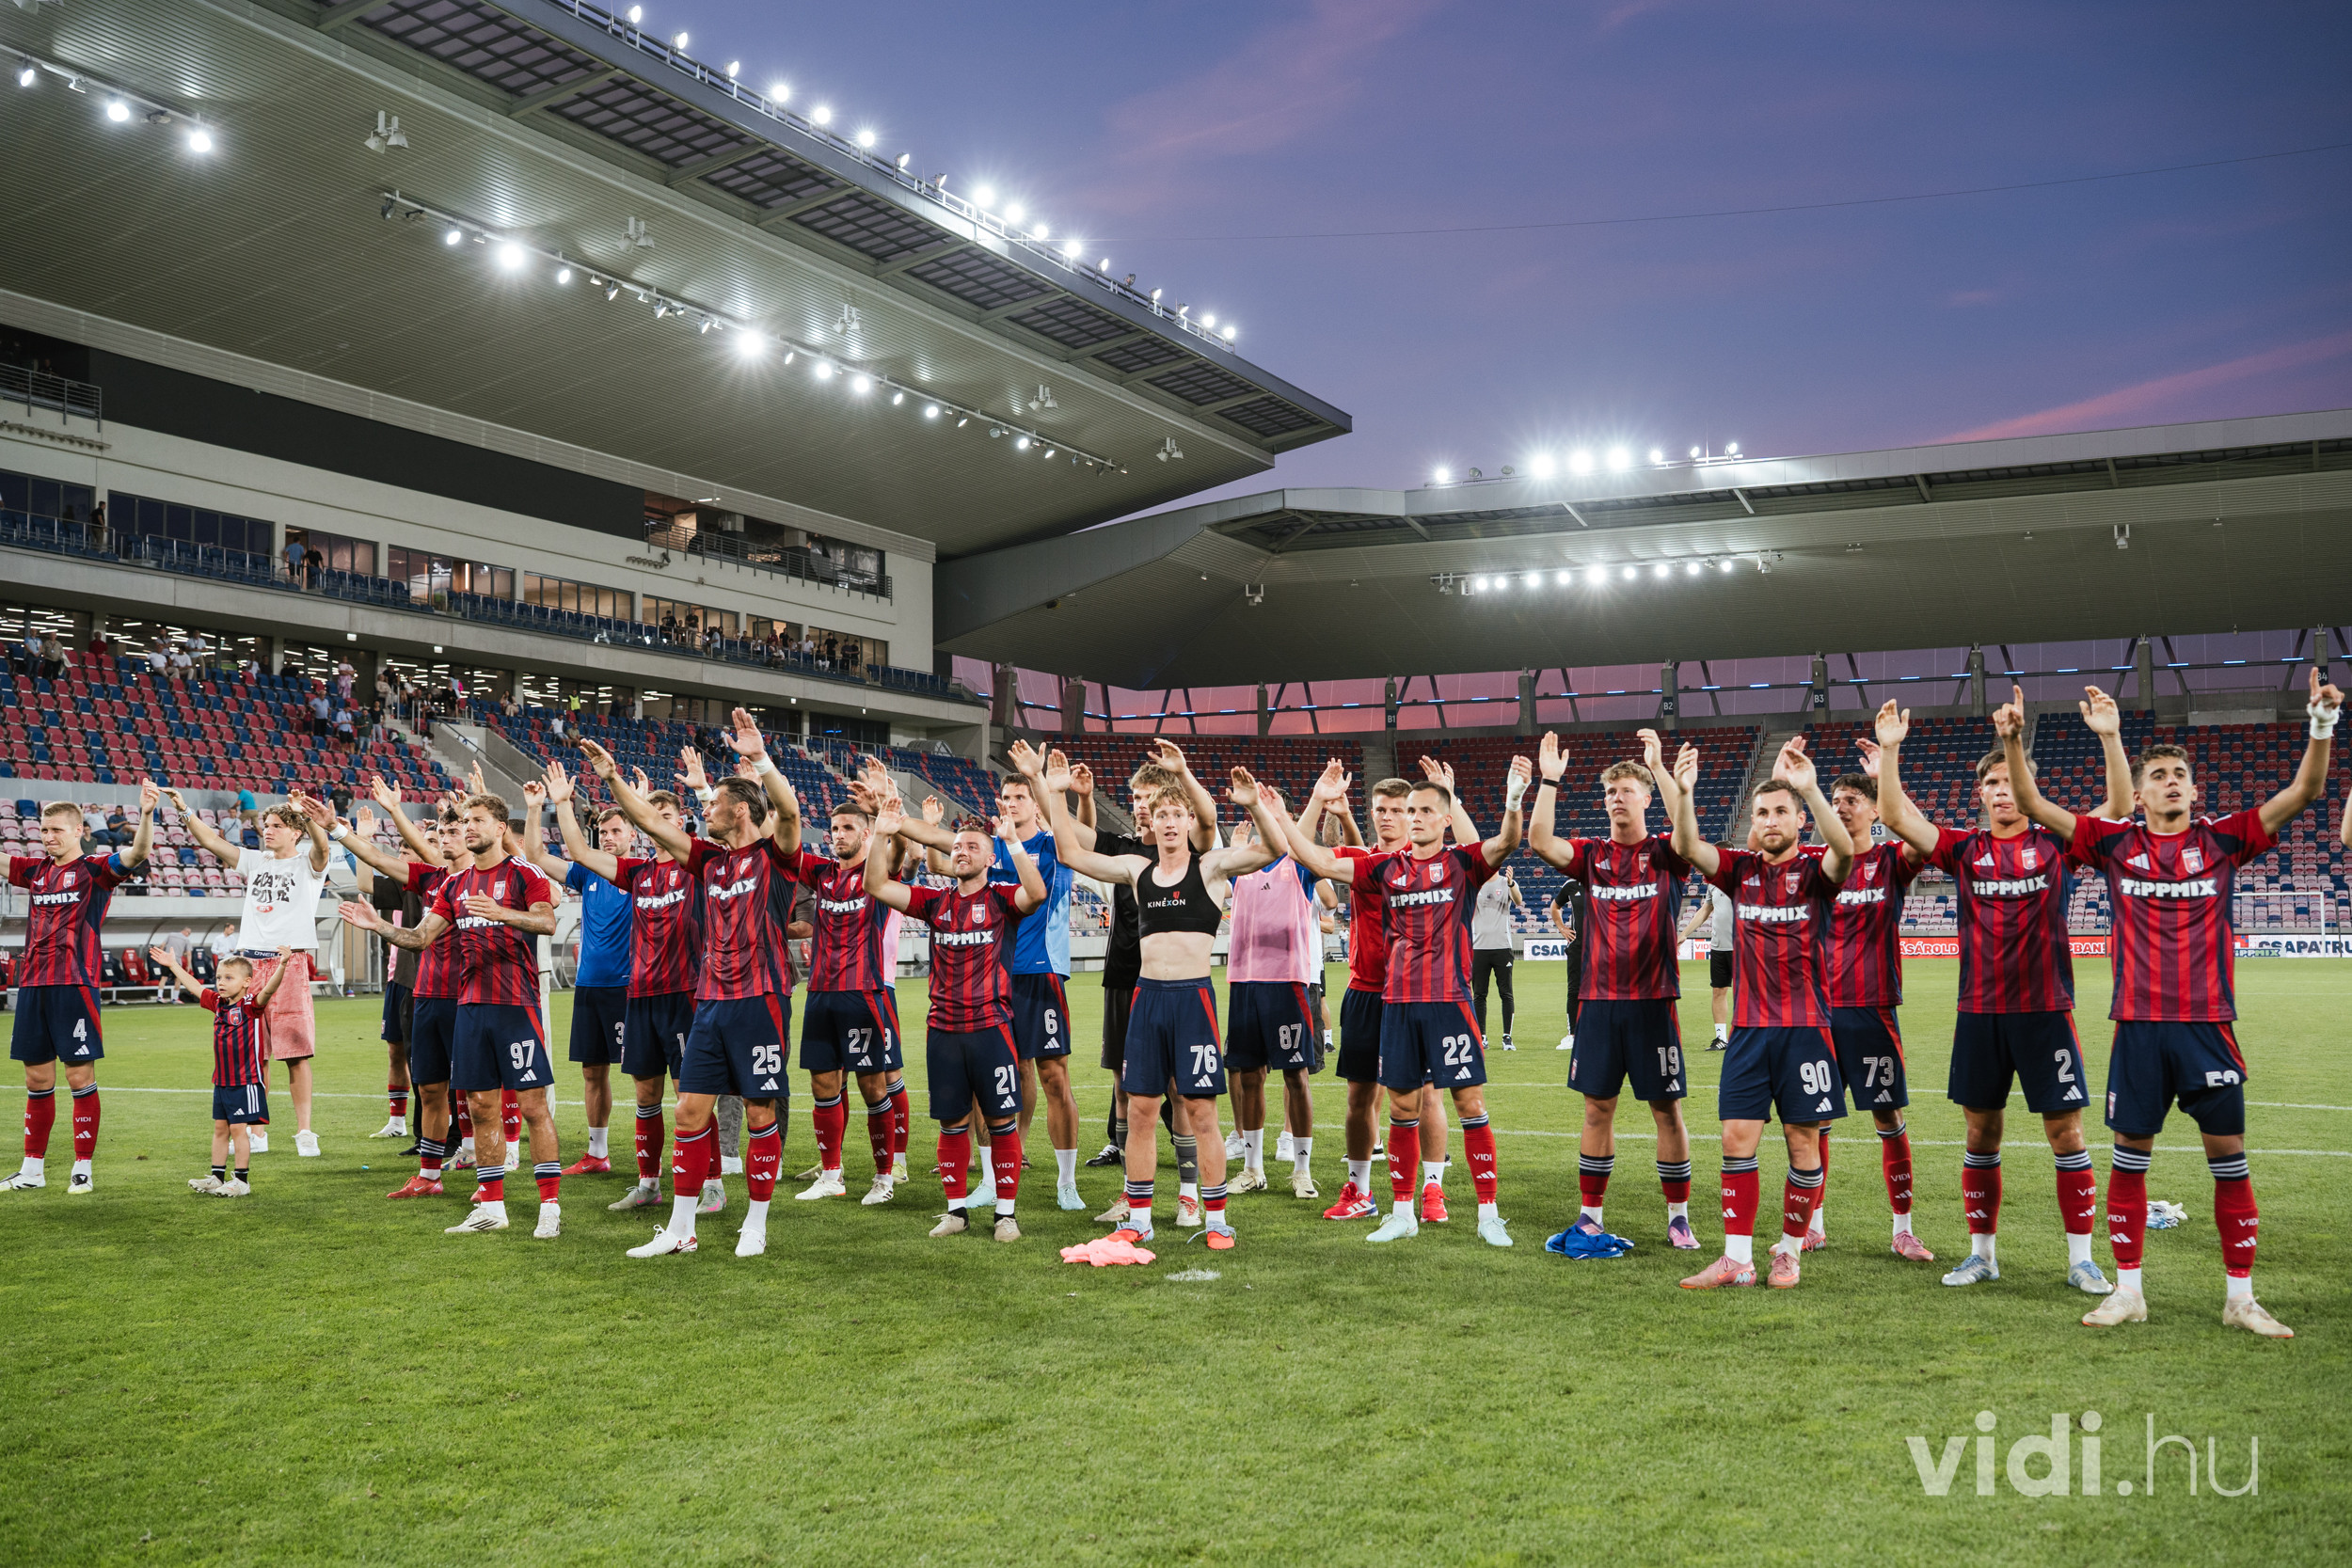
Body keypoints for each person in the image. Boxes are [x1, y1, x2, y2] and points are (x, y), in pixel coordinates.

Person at [2011, 671, 2338, 1338]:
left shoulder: (2223, 839)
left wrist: (2321, 724)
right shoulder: (2115, 844)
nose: (2168, 782)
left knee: (2229, 1157)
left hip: (2207, 1027)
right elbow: (2032, 802)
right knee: (2130, 1156)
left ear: (2193, 791)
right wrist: (2019, 742)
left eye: (2178, 776)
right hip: (2137, 1028)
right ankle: (2128, 1291)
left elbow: (2304, 791)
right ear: (2140, 793)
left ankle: (2240, 1298)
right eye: (2157, 775)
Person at [1874, 684, 2133, 1294]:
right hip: (1980, 1014)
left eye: (2010, 781)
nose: (2002, 791)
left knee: (2066, 1134)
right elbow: (1896, 817)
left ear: (2027, 787)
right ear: (1982, 795)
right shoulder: (1964, 850)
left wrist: (2110, 736)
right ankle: (1982, 1254)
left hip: (2046, 1011)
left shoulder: (2057, 844)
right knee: (1980, 1134)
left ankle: (2081, 1259)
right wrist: (1889, 751)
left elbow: (2120, 809)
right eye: (1990, 783)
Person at [1018, 741, 1278, 1249]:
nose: (1169, 823)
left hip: (1193, 1002)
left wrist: (1254, 805)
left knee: (1201, 1111)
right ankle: (1139, 1217)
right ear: (1152, 824)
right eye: (1161, 816)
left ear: (1188, 821)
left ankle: (1215, 1218)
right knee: (1138, 1109)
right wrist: (1055, 792)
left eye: (1177, 815)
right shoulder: (1137, 871)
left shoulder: (1211, 868)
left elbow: (1271, 850)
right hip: (1147, 1000)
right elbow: (1071, 853)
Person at [1275, 755, 1529, 1247]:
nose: (1413, 817)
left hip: (1449, 1002)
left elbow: (1506, 842)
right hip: (1396, 1002)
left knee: (1469, 1103)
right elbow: (1320, 861)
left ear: (1445, 819)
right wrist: (1282, 815)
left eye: (1423, 810)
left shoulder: (1461, 864)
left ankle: (1488, 1214)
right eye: (1408, 810)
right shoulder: (1384, 867)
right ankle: (1401, 1212)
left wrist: (1514, 799)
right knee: (1400, 1106)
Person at [584, 710, 803, 1259]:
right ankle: (681, 1229)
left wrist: (761, 760)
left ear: (742, 809)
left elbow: (790, 811)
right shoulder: (708, 861)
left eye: (713, 802)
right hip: (710, 1003)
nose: (705, 809)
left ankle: (755, 1223)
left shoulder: (776, 857)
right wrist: (612, 777)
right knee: (688, 1111)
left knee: (759, 1113)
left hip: (760, 1001)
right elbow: (652, 823)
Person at [1667, 736, 1854, 1290]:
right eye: (1762, 814)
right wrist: (1684, 792)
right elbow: (1687, 846)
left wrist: (1810, 788)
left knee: (1803, 1143)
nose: (1771, 821)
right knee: (1735, 1140)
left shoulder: (1818, 871)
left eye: (1780, 812)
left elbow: (1845, 850)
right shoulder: (1739, 871)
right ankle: (1737, 1259)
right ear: (1753, 822)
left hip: (1806, 1030)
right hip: (1749, 1031)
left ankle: (1790, 1251)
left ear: (1799, 820)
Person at [338, 792, 564, 1238]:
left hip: (515, 1007)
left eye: (478, 820)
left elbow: (547, 921)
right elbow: (421, 938)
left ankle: (550, 1206)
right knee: (480, 1107)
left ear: (499, 828)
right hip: (469, 1009)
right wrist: (378, 925)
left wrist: (501, 913)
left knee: (534, 1107)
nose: (470, 827)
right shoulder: (453, 886)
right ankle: (492, 1207)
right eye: (467, 820)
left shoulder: (523, 874)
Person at [1528, 732, 1702, 1252]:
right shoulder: (1591, 855)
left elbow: (1689, 835)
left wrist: (1662, 770)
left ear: (1647, 798)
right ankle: (1590, 1216)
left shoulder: (1667, 854)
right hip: (1599, 1003)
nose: (1617, 797)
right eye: (1610, 791)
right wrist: (1550, 780)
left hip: (1653, 1002)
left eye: (1627, 790)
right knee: (1596, 1109)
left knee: (1666, 1109)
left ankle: (1679, 1218)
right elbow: (1539, 840)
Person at [895, 757, 1085, 1212]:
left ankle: (1067, 1181)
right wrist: (891, 811)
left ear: (1036, 804)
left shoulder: (1054, 845)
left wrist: (1049, 784)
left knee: (1052, 1075)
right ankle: (991, 1176)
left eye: (1020, 797)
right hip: (989, 978)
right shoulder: (989, 848)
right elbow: (937, 845)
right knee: (993, 1077)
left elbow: (1081, 834)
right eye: (1006, 797)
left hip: (1038, 970)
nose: (1011, 803)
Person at [864, 791, 1047, 1243]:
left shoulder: (1002, 899)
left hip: (992, 1029)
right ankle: (956, 1211)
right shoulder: (935, 902)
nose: (962, 851)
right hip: (943, 1031)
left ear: (990, 859)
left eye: (972, 847)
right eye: (958, 846)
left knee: (1001, 1122)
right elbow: (877, 886)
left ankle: (1006, 1215)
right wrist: (881, 836)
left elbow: (1037, 892)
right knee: (951, 1123)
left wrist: (1013, 842)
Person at [532, 761, 705, 1214]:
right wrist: (561, 804)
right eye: (653, 817)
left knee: (690, 1097)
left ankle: (711, 1182)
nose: (658, 824)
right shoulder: (635, 873)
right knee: (645, 1096)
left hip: (681, 995)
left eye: (666, 817)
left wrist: (702, 791)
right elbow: (576, 851)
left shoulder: (697, 867)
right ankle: (648, 1184)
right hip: (638, 998)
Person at [1809, 726, 1932, 1260]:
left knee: (1888, 1117)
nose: (1841, 808)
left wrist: (1888, 780)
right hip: (1817, 1011)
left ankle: (1903, 1229)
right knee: (1814, 1118)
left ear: (1875, 811)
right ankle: (1812, 1225)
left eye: (1852, 801)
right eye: (1835, 801)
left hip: (1871, 1009)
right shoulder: (1813, 864)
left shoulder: (1888, 862)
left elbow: (1925, 838)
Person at [4, 783, 156, 1194]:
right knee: (36, 1079)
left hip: (75, 983)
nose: (48, 836)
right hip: (33, 982)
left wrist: (145, 815)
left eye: (56, 830)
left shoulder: (95, 870)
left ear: (78, 831)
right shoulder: (34, 871)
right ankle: (32, 1170)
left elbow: (139, 853)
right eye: (43, 830)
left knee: (78, 1075)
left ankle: (82, 1167)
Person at [167, 791, 333, 1157]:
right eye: (265, 825)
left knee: (296, 1053)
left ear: (295, 832)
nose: (267, 830)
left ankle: (305, 1131)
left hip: (288, 962)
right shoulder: (256, 861)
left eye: (276, 826)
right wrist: (184, 810)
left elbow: (322, 845)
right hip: (250, 964)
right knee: (256, 1055)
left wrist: (304, 815)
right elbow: (212, 841)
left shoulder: (308, 863)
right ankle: (258, 1132)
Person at [789, 768, 914, 1205]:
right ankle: (832, 1175)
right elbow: (782, 845)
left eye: (847, 828)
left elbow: (898, 851)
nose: (838, 835)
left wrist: (884, 812)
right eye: (835, 828)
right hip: (821, 993)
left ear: (865, 834)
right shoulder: (822, 874)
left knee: (873, 1087)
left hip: (864, 994)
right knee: (823, 1085)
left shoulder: (877, 876)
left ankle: (884, 1177)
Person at [517, 774, 636, 1179]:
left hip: (628, 987)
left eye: (616, 831)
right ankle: (597, 1152)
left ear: (633, 835)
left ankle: (653, 1159)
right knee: (592, 1071)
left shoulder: (639, 873)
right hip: (589, 986)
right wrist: (536, 809)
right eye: (603, 832)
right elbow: (535, 855)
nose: (609, 837)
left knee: (644, 1075)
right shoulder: (587, 873)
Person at [1220, 804, 1330, 1199]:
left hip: (1288, 982)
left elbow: (1307, 844)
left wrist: (1317, 799)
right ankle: (1253, 1169)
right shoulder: (1241, 865)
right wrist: (1235, 851)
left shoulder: (1297, 863)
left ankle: (1302, 1170)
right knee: (1250, 1076)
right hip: (1244, 982)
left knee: (1296, 1076)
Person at [148, 943, 293, 1197]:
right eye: (219, 978)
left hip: (245, 1081)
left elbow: (269, 989)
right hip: (222, 1081)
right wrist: (173, 965)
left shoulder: (251, 1005)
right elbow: (195, 986)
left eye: (228, 978)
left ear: (247, 982)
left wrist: (282, 965)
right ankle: (216, 1178)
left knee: (238, 1130)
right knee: (220, 1129)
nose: (221, 983)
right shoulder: (218, 1003)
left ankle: (242, 1181)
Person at [1470, 863, 1523, 1050]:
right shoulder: (1475, 885)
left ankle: (1507, 1037)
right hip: (1479, 948)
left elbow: (1518, 900)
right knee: (1479, 994)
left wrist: (1511, 883)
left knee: (1506, 993)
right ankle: (1481, 1036)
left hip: (1502, 947)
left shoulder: (1506, 882)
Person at [1677, 880, 1736, 1049]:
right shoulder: (1713, 883)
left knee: (1744, 994)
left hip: (1742, 946)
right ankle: (1721, 1038)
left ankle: (1747, 1036)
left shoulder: (1743, 876)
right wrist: (1684, 934)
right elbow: (1705, 909)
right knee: (1718, 991)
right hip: (1718, 947)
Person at [1550, 875, 1585, 1050]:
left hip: (1601, 947)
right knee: (1574, 991)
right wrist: (1562, 928)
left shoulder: (1606, 881)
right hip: (1577, 947)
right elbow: (1555, 906)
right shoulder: (1571, 885)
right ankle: (1572, 1035)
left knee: (1604, 990)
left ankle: (1603, 1033)